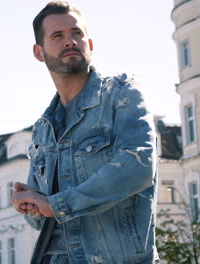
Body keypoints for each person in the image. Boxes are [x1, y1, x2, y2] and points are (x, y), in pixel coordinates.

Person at [10, 1, 159, 264]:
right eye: (58, 36)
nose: (70, 41)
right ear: (39, 52)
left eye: (76, 33)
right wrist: (29, 205)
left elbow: (139, 166)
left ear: (89, 44)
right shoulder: (42, 129)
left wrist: (55, 205)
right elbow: (41, 220)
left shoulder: (121, 94)